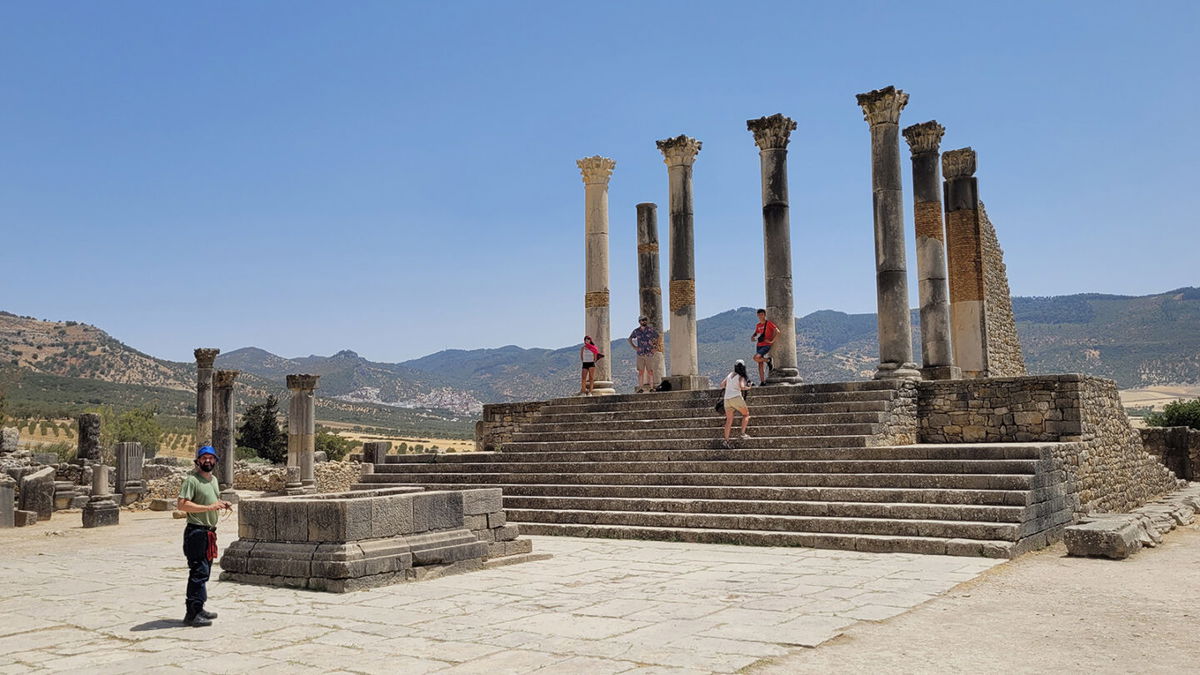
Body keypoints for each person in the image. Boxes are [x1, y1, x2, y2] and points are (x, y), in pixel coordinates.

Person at [176, 445, 231, 627]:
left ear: (215, 461)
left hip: (209, 532)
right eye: (204, 458)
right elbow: (182, 505)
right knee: (198, 572)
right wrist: (208, 508)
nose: (207, 460)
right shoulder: (192, 480)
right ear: (198, 461)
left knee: (204, 572)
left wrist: (220, 503)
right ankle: (191, 614)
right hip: (196, 532)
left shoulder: (213, 480)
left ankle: (199, 608)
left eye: (211, 458)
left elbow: (211, 501)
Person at [719, 360, 752, 449]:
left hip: (727, 399)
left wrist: (729, 387)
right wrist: (749, 387)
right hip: (736, 397)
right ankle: (742, 433)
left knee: (729, 420)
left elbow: (722, 385)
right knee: (746, 414)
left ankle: (726, 440)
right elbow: (741, 387)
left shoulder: (730, 375)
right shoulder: (740, 376)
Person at [627, 316, 659, 393]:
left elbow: (658, 337)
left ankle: (651, 388)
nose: (644, 321)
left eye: (645, 320)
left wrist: (655, 347)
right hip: (640, 353)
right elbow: (629, 339)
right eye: (642, 320)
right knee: (640, 371)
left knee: (650, 371)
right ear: (639, 321)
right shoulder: (636, 331)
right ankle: (640, 388)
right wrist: (634, 347)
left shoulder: (650, 330)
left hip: (649, 353)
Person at [751, 308, 778, 385]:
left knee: (756, 358)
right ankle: (762, 381)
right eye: (759, 315)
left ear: (765, 315)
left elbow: (777, 331)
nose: (760, 316)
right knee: (760, 363)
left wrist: (772, 341)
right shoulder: (758, 325)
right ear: (757, 315)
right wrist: (753, 337)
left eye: (762, 314)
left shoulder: (768, 323)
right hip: (759, 345)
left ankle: (768, 360)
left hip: (766, 345)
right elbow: (755, 333)